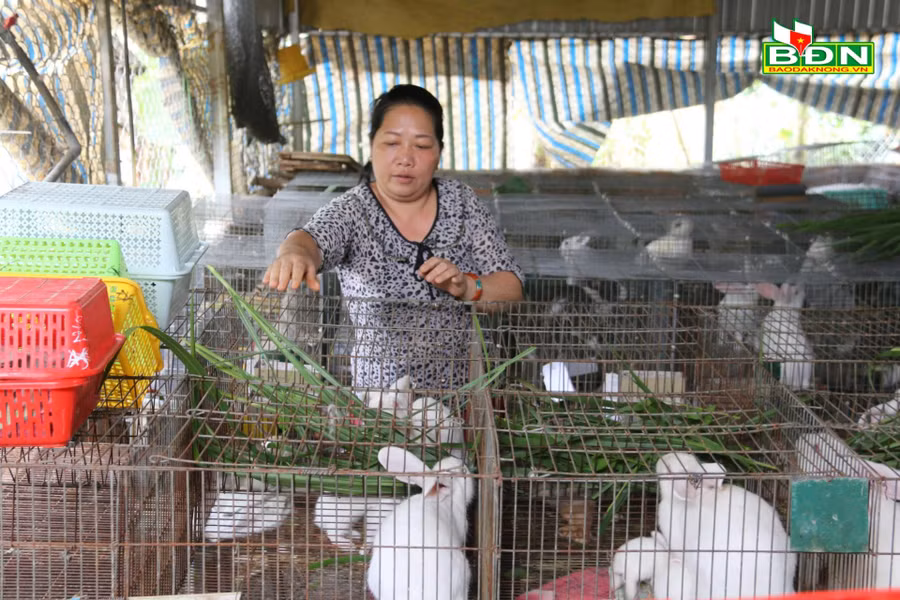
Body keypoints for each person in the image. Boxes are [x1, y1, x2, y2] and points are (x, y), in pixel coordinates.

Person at [263, 84, 524, 392]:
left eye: (422, 145)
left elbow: (511, 286)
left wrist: (468, 287)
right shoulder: (353, 210)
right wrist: (295, 253)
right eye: (391, 143)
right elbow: (309, 239)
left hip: (459, 396)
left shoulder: (461, 202)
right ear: (372, 146)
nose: (405, 158)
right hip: (381, 404)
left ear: (439, 152)